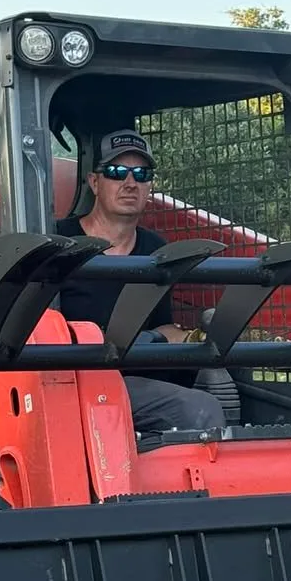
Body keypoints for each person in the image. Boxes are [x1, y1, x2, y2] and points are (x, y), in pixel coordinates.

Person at [55, 131, 226, 436]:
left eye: (141, 174)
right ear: (95, 182)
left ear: (150, 186)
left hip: (137, 381)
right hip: (74, 381)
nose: (130, 183)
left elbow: (161, 329)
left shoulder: (157, 250)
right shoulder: (59, 242)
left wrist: (197, 336)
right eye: (117, 172)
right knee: (201, 411)